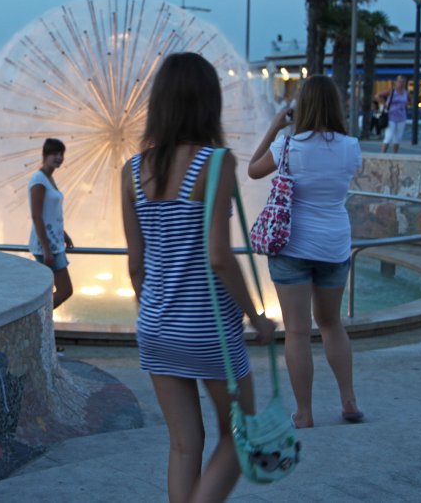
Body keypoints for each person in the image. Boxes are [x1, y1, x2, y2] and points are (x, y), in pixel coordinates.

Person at [121, 52, 275, 503]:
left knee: (184, 444)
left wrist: (152, 312)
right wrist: (257, 317)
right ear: (208, 102)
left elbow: (136, 263)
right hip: (208, 330)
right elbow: (219, 257)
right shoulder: (216, 162)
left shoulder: (132, 171)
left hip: (156, 327)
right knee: (240, 434)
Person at [249, 74, 363, 428]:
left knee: (298, 330)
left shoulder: (287, 147)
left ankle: (306, 413)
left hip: (291, 243)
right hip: (334, 245)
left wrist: (273, 128)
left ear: (303, 107)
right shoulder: (351, 147)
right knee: (331, 323)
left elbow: (253, 170)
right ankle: (348, 400)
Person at [28, 138, 75, 309]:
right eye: (54, 154)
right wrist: (46, 250)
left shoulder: (49, 178)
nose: (59, 158)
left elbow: (51, 214)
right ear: (44, 155)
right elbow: (36, 216)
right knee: (65, 290)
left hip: (55, 244)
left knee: (51, 290)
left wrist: (64, 233)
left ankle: (39, 321)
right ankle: (37, 319)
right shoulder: (39, 179)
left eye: (61, 154)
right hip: (47, 247)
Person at [376, 76, 409, 154]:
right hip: (391, 116)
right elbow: (378, 95)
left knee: (398, 137)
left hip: (401, 116)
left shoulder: (405, 92)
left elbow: (409, 100)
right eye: (399, 82)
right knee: (389, 136)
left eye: (403, 82)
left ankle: (395, 154)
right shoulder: (392, 91)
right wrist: (384, 104)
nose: (401, 84)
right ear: (396, 82)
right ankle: (383, 154)